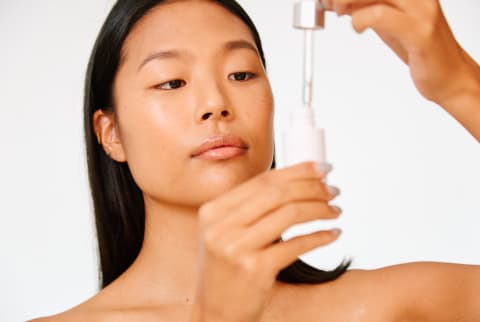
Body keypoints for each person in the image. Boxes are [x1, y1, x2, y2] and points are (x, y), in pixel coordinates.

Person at [31, 0, 480, 321]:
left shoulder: (383, 307)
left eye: (241, 73)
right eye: (171, 82)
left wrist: (459, 82)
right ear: (111, 134)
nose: (215, 103)